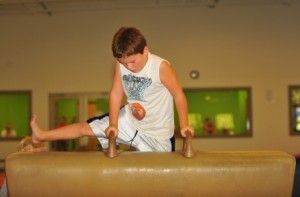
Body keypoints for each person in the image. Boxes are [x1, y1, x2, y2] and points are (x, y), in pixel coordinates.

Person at [31, 27, 194, 152]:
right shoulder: (121, 65)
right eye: (123, 63)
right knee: (84, 128)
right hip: (130, 122)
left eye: (132, 61)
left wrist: (184, 124)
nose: (128, 67)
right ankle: (42, 135)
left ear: (145, 50)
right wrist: (114, 124)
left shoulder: (160, 66)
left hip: (158, 133)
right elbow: (116, 94)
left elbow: (178, 95)